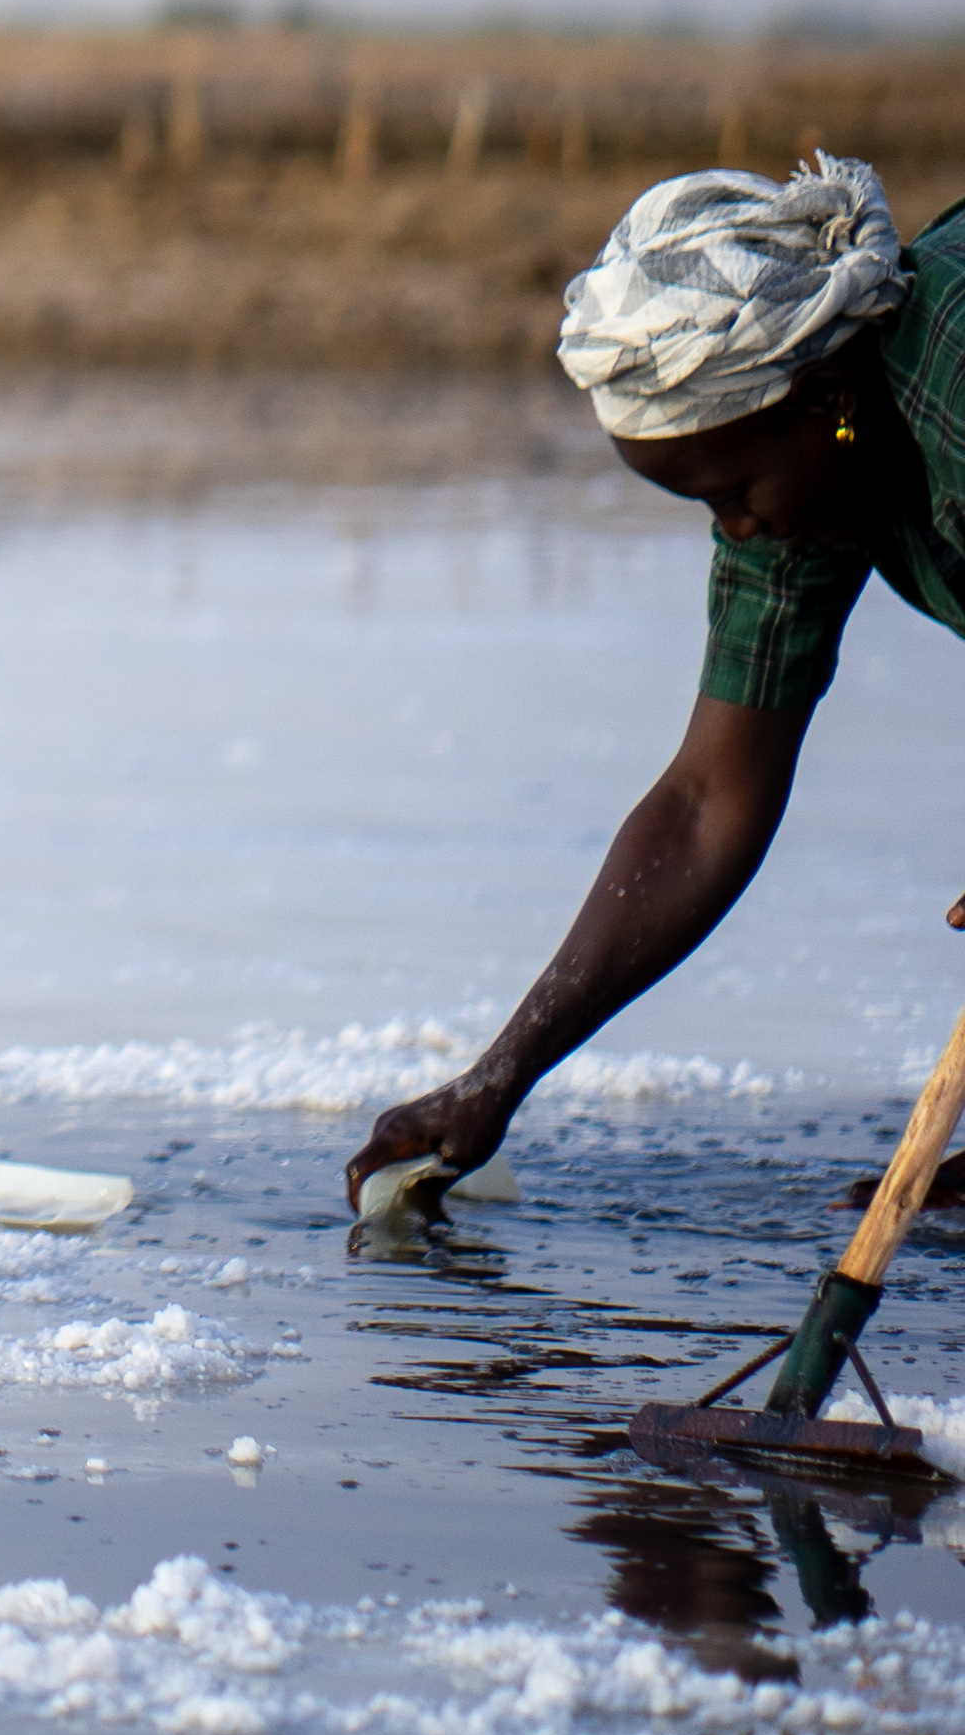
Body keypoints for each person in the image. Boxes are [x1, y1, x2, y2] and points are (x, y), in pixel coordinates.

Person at [348, 158, 960, 1212]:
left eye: (731, 491)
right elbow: (703, 804)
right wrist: (500, 1075)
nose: (736, 531)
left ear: (821, 399)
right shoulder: (812, 473)